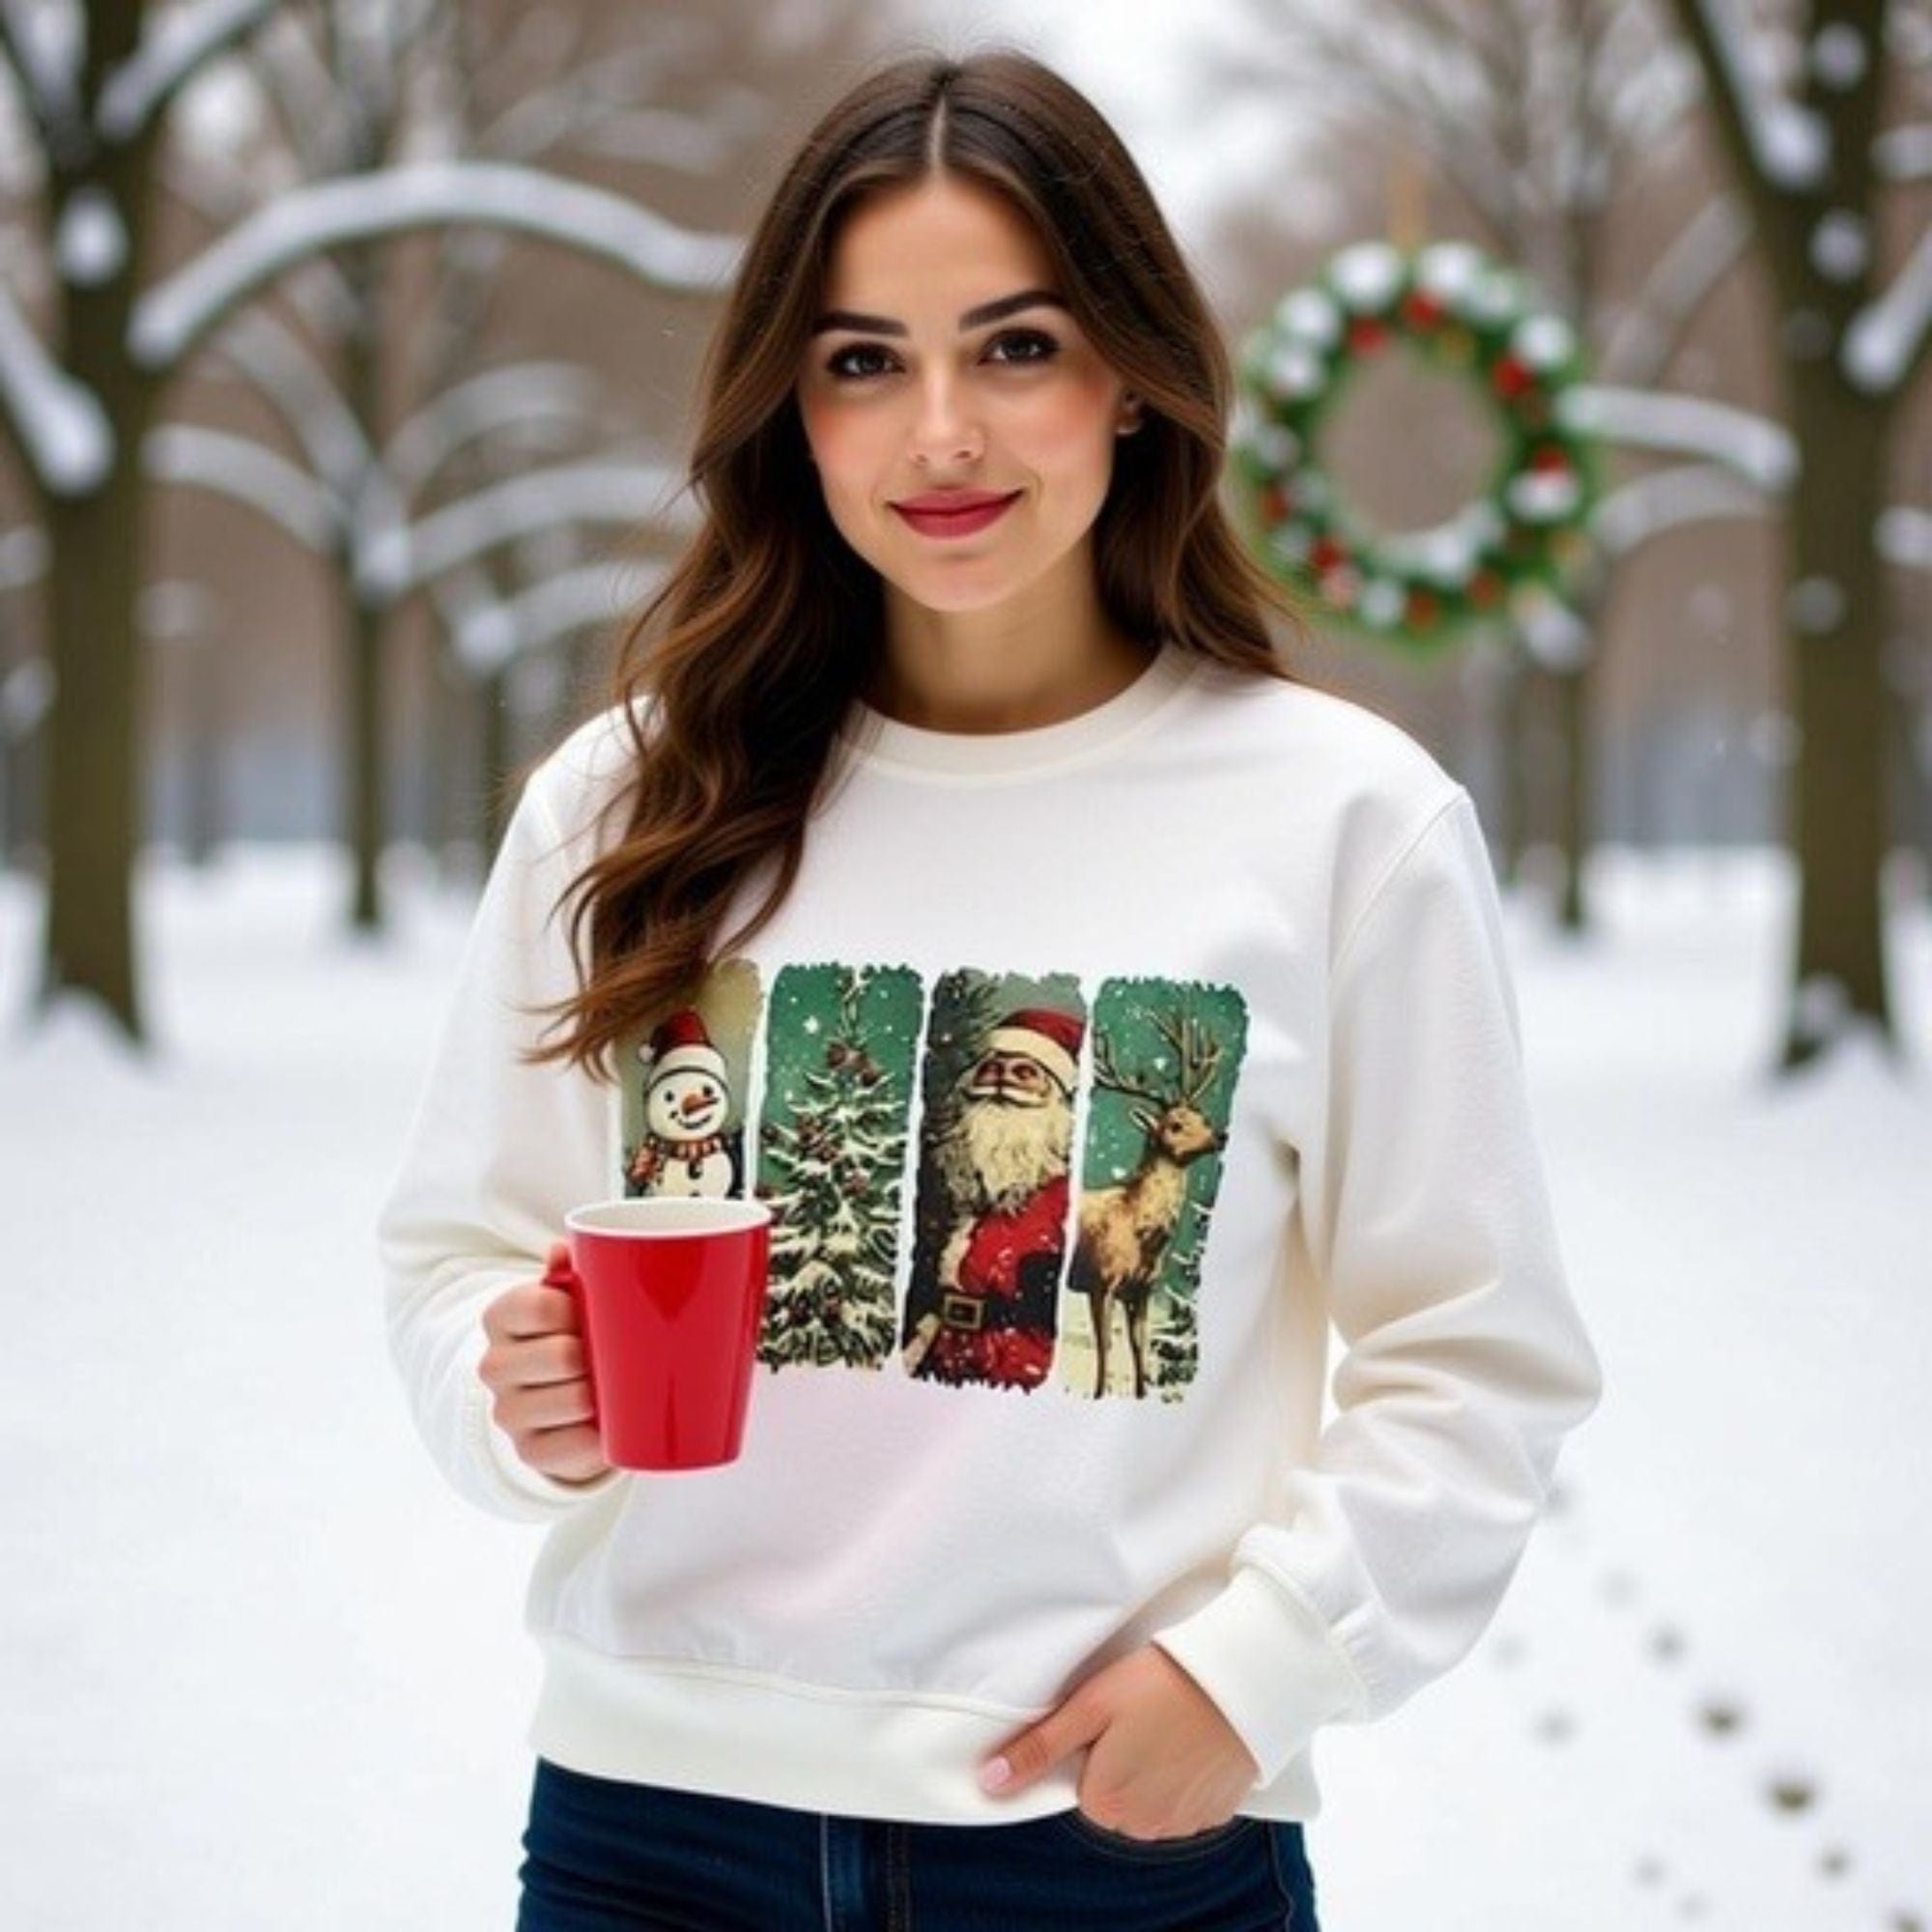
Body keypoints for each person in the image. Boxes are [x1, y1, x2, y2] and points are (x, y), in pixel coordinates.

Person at [378, 43, 1603, 1932]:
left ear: (1128, 377)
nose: (941, 431)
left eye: (1013, 346)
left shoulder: (1341, 823)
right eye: (864, 359)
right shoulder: (626, 804)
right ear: (792, 405)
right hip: (652, 1832)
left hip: (1116, 1849)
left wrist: (1249, 1671)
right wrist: (502, 1383)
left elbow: (1476, 1352)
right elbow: (460, 1249)